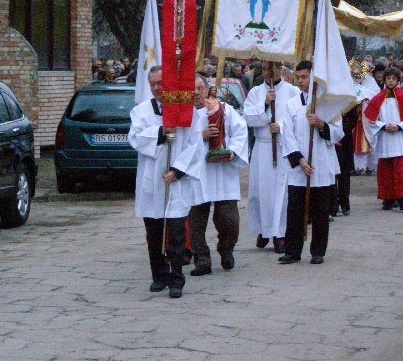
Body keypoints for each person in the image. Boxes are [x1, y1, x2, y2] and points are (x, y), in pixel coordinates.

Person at [128, 67, 205, 298]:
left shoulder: (187, 111)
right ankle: (158, 275)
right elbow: (135, 138)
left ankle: (176, 278)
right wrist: (161, 131)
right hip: (152, 179)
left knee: (177, 232)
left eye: (160, 82)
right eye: (152, 84)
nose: (157, 88)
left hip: (175, 179)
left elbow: (195, 144)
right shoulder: (141, 111)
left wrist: (178, 170)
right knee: (154, 231)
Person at [279, 61, 344, 265]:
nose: (300, 81)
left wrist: (321, 124)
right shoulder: (291, 104)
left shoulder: (328, 104)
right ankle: (292, 251)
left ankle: (318, 250)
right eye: (297, 77)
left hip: (321, 164)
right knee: (295, 210)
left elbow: (338, 132)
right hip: (300, 165)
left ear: (314, 78)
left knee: (320, 211)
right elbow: (287, 134)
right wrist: (299, 159)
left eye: (304, 77)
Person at [189, 77, 248, 276]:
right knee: (196, 220)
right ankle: (202, 259)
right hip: (197, 173)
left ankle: (226, 248)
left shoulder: (224, 109)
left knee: (229, 219)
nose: (196, 92)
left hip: (223, 172)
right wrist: (201, 136)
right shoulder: (184, 113)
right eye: (192, 89)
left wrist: (232, 151)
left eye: (199, 88)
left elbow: (240, 131)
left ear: (207, 89)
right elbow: (179, 141)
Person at [243, 60, 299, 253]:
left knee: (281, 193)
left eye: (272, 68)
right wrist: (265, 104)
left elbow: (298, 117)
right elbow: (248, 118)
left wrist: (281, 126)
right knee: (260, 191)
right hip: (263, 147)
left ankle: (280, 233)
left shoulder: (292, 91)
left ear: (280, 69)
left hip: (282, 147)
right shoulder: (255, 92)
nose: (268, 72)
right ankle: (264, 229)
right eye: (265, 68)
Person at [365, 67, 403, 211]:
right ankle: (387, 198)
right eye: (388, 78)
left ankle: (402, 197)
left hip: (399, 138)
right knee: (385, 170)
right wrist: (382, 126)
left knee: (400, 170)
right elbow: (371, 119)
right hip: (385, 138)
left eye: (393, 78)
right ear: (384, 80)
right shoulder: (378, 98)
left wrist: (399, 127)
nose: (391, 81)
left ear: (398, 80)